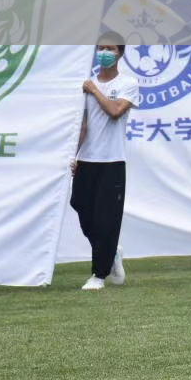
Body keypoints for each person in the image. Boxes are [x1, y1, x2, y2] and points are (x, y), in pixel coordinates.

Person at [73, 35, 137, 290]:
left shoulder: (127, 83)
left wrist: (94, 90)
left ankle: (98, 275)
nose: (103, 53)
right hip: (87, 160)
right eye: (100, 48)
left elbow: (115, 111)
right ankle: (111, 252)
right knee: (80, 206)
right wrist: (73, 155)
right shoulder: (87, 83)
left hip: (112, 161)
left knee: (106, 219)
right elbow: (83, 125)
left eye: (109, 49)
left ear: (120, 53)